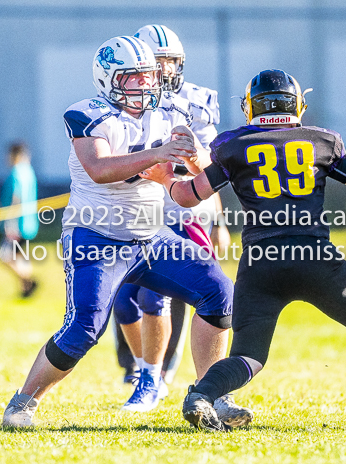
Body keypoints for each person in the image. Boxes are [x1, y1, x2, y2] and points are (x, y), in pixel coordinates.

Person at [142, 69, 346, 431]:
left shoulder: (234, 145)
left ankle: (201, 395)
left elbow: (187, 195)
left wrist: (166, 178)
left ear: (251, 107)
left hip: (261, 262)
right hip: (314, 257)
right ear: (298, 105)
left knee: (248, 356)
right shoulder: (320, 140)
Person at [2, 36, 250, 427]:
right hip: (97, 237)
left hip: (153, 236)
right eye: (132, 77)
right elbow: (100, 169)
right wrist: (157, 155)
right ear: (108, 79)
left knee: (219, 293)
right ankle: (23, 401)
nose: (144, 85)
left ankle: (211, 395)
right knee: (83, 330)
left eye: (148, 76)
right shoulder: (88, 114)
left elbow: (185, 193)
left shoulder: (167, 112)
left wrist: (195, 156)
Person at [112, 24, 233, 412]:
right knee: (124, 302)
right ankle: (148, 370)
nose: (165, 70)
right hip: (138, 212)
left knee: (165, 296)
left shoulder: (195, 101)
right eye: (157, 62)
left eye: (171, 62)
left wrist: (218, 220)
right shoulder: (123, 101)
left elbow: (210, 168)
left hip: (185, 211)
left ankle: (164, 378)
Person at [0, 142, 39, 298]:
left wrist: (10, 224)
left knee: (4, 256)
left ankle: (28, 280)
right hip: (29, 223)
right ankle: (25, 289)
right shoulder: (30, 172)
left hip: (17, 224)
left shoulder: (16, 172)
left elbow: (16, 198)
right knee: (20, 257)